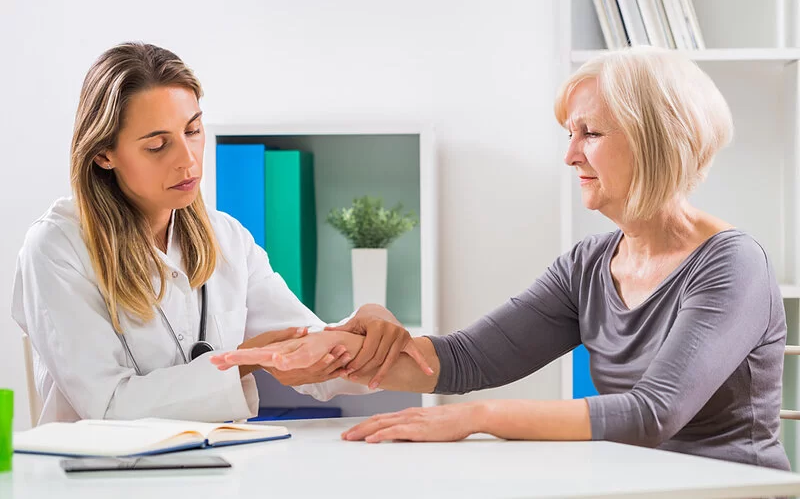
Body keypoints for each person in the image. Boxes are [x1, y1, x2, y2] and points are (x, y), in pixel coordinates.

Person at [213, 46, 791, 470]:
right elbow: (467, 360)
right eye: (569, 133)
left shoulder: (731, 264)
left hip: (727, 486)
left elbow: (652, 414)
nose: (569, 155)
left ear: (655, 137)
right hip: (635, 481)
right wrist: (344, 347)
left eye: (589, 132)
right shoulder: (589, 265)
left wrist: (477, 418)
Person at [11, 42, 431, 425]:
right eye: (157, 145)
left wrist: (361, 333)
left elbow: (304, 344)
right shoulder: (57, 247)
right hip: (100, 478)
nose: (188, 160)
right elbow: (107, 407)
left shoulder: (226, 237)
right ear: (104, 153)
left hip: (220, 467)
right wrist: (248, 361)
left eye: (193, 131)